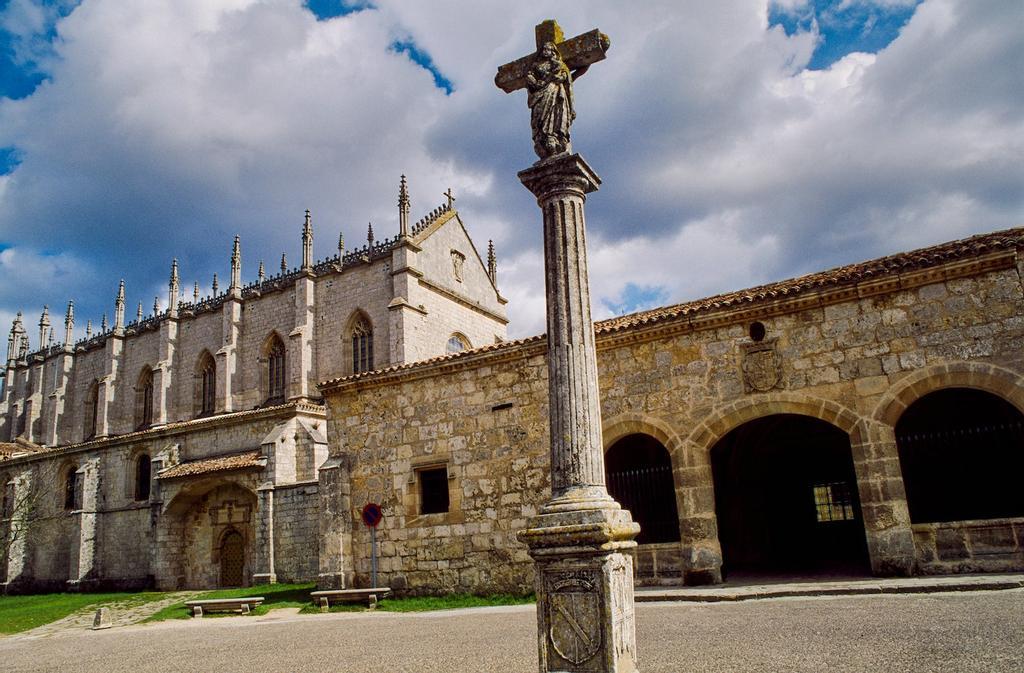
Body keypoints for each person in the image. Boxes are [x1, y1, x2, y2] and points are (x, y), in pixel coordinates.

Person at [526, 42, 576, 159]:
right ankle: (543, 142)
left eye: (548, 49)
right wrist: (534, 82)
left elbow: (564, 77)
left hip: (554, 92)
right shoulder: (536, 65)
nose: (545, 51)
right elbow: (529, 76)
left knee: (554, 116)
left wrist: (556, 77)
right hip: (539, 96)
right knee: (539, 120)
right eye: (544, 49)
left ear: (553, 51)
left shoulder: (558, 64)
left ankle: (555, 139)